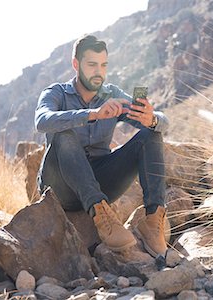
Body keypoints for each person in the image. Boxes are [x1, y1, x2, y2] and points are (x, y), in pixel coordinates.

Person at [34, 34, 168, 257]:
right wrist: (93, 114)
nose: (99, 71)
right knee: (63, 134)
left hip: (101, 181)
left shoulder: (112, 94)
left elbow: (163, 121)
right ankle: (101, 216)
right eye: (92, 65)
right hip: (61, 187)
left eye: (103, 65)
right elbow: (42, 121)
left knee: (150, 134)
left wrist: (151, 118)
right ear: (76, 64)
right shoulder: (56, 93)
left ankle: (153, 222)